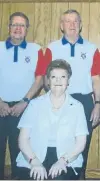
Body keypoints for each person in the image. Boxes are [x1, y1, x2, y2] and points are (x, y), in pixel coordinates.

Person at [43, 9, 100, 179]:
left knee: (82, 144)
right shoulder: (52, 48)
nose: (72, 24)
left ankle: (80, 176)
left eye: (76, 21)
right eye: (68, 21)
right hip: (58, 100)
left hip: (84, 101)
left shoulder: (92, 48)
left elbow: (96, 79)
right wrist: (53, 100)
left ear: (80, 25)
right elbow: (45, 78)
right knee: (57, 141)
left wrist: (98, 105)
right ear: (61, 26)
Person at [16, 60, 88, 180]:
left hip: (67, 157)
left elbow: (81, 142)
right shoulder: (35, 104)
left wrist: (63, 161)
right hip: (34, 154)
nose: (58, 81)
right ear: (48, 81)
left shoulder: (77, 106)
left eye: (63, 77)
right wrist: (34, 161)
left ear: (68, 81)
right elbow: (23, 139)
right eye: (53, 77)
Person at [0, 12, 44, 179]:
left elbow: (40, 79)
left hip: (24, 108)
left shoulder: (36, 50)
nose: (18, 28)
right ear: (9, 27)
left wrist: (24, 102)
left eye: (22, 25)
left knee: (21, 153)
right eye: (14, 25)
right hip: (0, 106)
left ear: (27, 29)